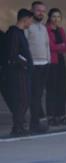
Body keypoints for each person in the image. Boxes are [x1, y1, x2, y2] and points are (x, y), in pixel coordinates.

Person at [5, 9, 34, 137]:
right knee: (23, 99)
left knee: (24, 99)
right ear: (25, 19)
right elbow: (13, 54)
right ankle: (18, 126)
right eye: (30, 20)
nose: (31, 23)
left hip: (23, 72)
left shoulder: (20, 33)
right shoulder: (14, 33)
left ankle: (19, 125)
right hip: (18, 73)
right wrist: (25, 64)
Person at [26, 1, 50, 132]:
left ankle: (38, 121)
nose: (41, 13)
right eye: (38, 10)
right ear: (32, 10)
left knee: (39, 94)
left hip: (44, 65)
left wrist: (48, 61)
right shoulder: (28, 27)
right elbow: (24, 47)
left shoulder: (44, 27)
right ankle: (34, 123)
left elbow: (46, 46)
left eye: (43, 11)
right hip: (33, 65)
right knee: (34, 95)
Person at [46, 8, 66, 126]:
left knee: (62, 89)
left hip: (60, 61)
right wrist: (59, 46)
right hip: (51, 62)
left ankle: (61, 114)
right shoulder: (46, 29)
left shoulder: (60, 30)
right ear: (49, 17)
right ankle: (51, 115)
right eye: (54, 16)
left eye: (58, 17)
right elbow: (51, 47)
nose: (56, 19)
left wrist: (59, 46)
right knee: (52, 89)